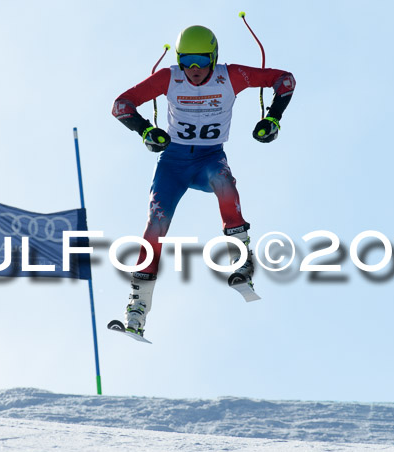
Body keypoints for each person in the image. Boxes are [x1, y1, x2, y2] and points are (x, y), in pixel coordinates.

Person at [112, 25, 295, 336]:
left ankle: (241, 260)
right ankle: (137, 307)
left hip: (210, 158)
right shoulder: (169, 78)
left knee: (225, 183)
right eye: (186, 60)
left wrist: (273, 117)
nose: (194, 69)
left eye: (201, 60)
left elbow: (284, 80)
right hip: (173, 164)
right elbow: (121, 105)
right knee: (155, 225)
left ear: (214, 57)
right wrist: (144, 130)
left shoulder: (232, 76)